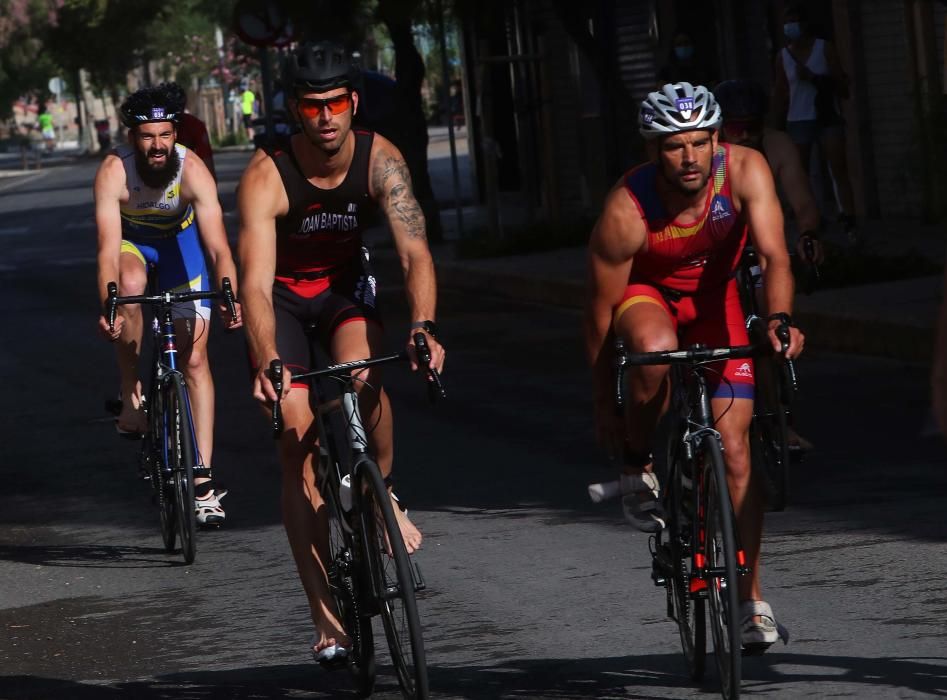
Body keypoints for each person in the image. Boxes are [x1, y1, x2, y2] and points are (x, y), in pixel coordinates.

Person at [237, 41, 446, 663]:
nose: (325, 118)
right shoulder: (265, 176)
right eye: (311, 107)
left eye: (335, 104)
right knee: (296, 437)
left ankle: (383, 491)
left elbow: (414, 253)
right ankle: (326, 616)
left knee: (363, 374)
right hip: (282, 301)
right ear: (294, 111)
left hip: (343, 291)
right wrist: (266, 361)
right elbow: (252, 284)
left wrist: (425, 327)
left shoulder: (381, 159)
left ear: (352, 103)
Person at [584, 82, 804, 650]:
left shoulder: (747, 171)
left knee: (735, 451)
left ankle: (750, 598)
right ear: (654, 149)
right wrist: (606, 404)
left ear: (717, 140)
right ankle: (641, 462)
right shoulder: (626, 209)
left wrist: (779, 319)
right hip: (647, 297)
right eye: (676, 146)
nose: (690, 158)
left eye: (701, 143)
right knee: (654, 352)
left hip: (716, 303)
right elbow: (601, 316)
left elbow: (776, 255)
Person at [94, 83, 242, 525]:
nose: (157, 146)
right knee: (131, 287)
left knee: (195, 360)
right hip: (133, 245)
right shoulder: (114, 172)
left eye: (164, 135)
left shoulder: (192, 169)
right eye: (146, 136)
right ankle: (132, 394)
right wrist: (110, 305)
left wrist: (230, 293)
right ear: (132, 138)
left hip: (182, 246)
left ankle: (202, 481)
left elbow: (218, 247)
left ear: (176, 133)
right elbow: (106, 250)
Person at [714, 79, 824, 267]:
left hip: (762, 235)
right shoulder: (708, 152)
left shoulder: (778, 145)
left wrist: (808, 234)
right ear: (719, 127)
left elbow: (803, 203)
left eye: (753, 127)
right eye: (735, 129)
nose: (745, 136)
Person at [772, 3, 857, 243]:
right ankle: (812, 219)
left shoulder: (823, 48)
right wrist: (775, 125)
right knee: (801, 172)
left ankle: (847, 215)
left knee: (837, 166)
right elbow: (781, 91)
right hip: (798, 118)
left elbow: (841, 82)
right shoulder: (784, 56)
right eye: (788, 23)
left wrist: (816, 78)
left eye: (795, 21)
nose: (791, 27)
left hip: (826, 114)